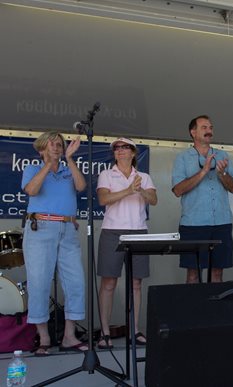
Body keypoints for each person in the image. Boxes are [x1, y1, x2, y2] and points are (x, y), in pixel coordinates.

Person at [22, 131, 88, 356]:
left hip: (67, 229)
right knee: (39, 283)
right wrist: (47, 164)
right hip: (40, 228)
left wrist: (69, 159)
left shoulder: (68, 169)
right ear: (41, 148)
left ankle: (69, 336)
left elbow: (81, 186)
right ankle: (44, 338)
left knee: (76, 282)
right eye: (52, 145)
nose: (57, 147)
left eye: (60, 144)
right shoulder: (32, 169)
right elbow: (32, 190)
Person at [96, 138, 157, 349]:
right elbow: (103, 199)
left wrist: (139, 190)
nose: (120, 151)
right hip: (112, 231)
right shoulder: (106, 174)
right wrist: (129, 190)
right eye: (117, 148)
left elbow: (154, 199)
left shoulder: (144, 177)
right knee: (109, 282)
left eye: (124, 148)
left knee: (136, 283)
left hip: (138, 231)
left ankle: (134, 330)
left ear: (133, 153)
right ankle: (105, 333)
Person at [172, 115, 233, 283]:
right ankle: (192, 309)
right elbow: (178, 190)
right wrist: (203, 171)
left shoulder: (222, 155)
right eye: (204, 128)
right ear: (193, 132)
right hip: (193, 225)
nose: (209, 131)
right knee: (193, 273)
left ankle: (215, 309)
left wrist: (222, 174)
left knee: (217, 272)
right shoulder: (183, 158)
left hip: (221, 223)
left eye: (210, 127)